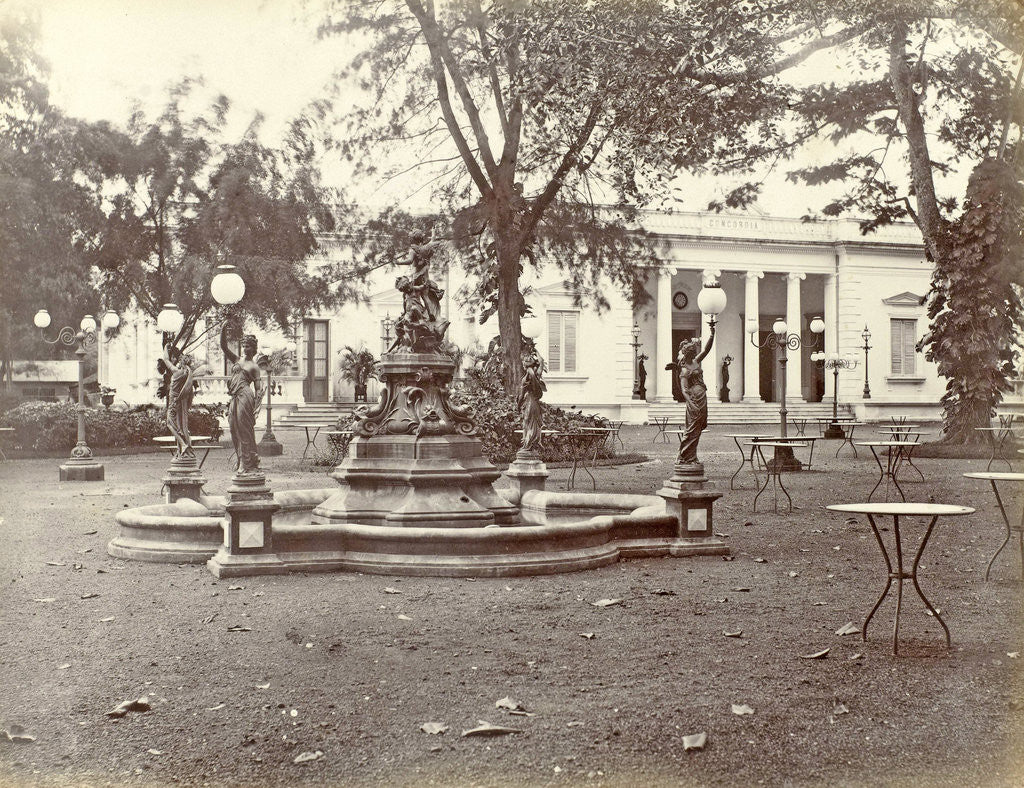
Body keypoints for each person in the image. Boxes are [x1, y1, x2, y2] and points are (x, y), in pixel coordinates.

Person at [221, 330, 264, 476]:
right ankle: (240, 458)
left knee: (244, 429)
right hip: (234, 397)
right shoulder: (237, 360)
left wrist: (257, 406)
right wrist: (224, 328)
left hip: (245, 396)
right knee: (233, 428)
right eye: (244, 345)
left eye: (248, 346)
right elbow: (224, 347)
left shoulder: (254, 367)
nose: (245, 348)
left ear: (253, 348)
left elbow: (258, 389)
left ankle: (247, 462)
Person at [675, 323, 716, 465]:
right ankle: (683, 456)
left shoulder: (695, 361)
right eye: (692, 352)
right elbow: (684, 390)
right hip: (694, 401)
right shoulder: (685, 370)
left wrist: (712, 334)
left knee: (697, 429)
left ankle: (692, 457)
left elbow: (706, 350)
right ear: (687, 353)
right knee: (691, 429)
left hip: (702, 397)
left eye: (694, 352)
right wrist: (692, 405)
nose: (694, 353)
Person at [161, 345, 196, 460]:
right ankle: (182, 449)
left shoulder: (177, 372)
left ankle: (183, 445)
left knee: (170, 424)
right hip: (181, 403)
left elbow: (165, 359)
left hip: (174, 403)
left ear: (182, 363)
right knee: (181, 426)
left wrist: (166, 347)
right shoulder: (187, 374)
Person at [517, 351, 546, 453]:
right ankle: (533, 443)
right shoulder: (537, 375)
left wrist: (518, 405)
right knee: (534, 423)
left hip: (529, 402)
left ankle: (527, 445)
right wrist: (537, 352)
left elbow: (521, 396)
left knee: (527, 423)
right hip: (536, 404)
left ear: (524, 366)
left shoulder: (525, 380)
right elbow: (541, 362)